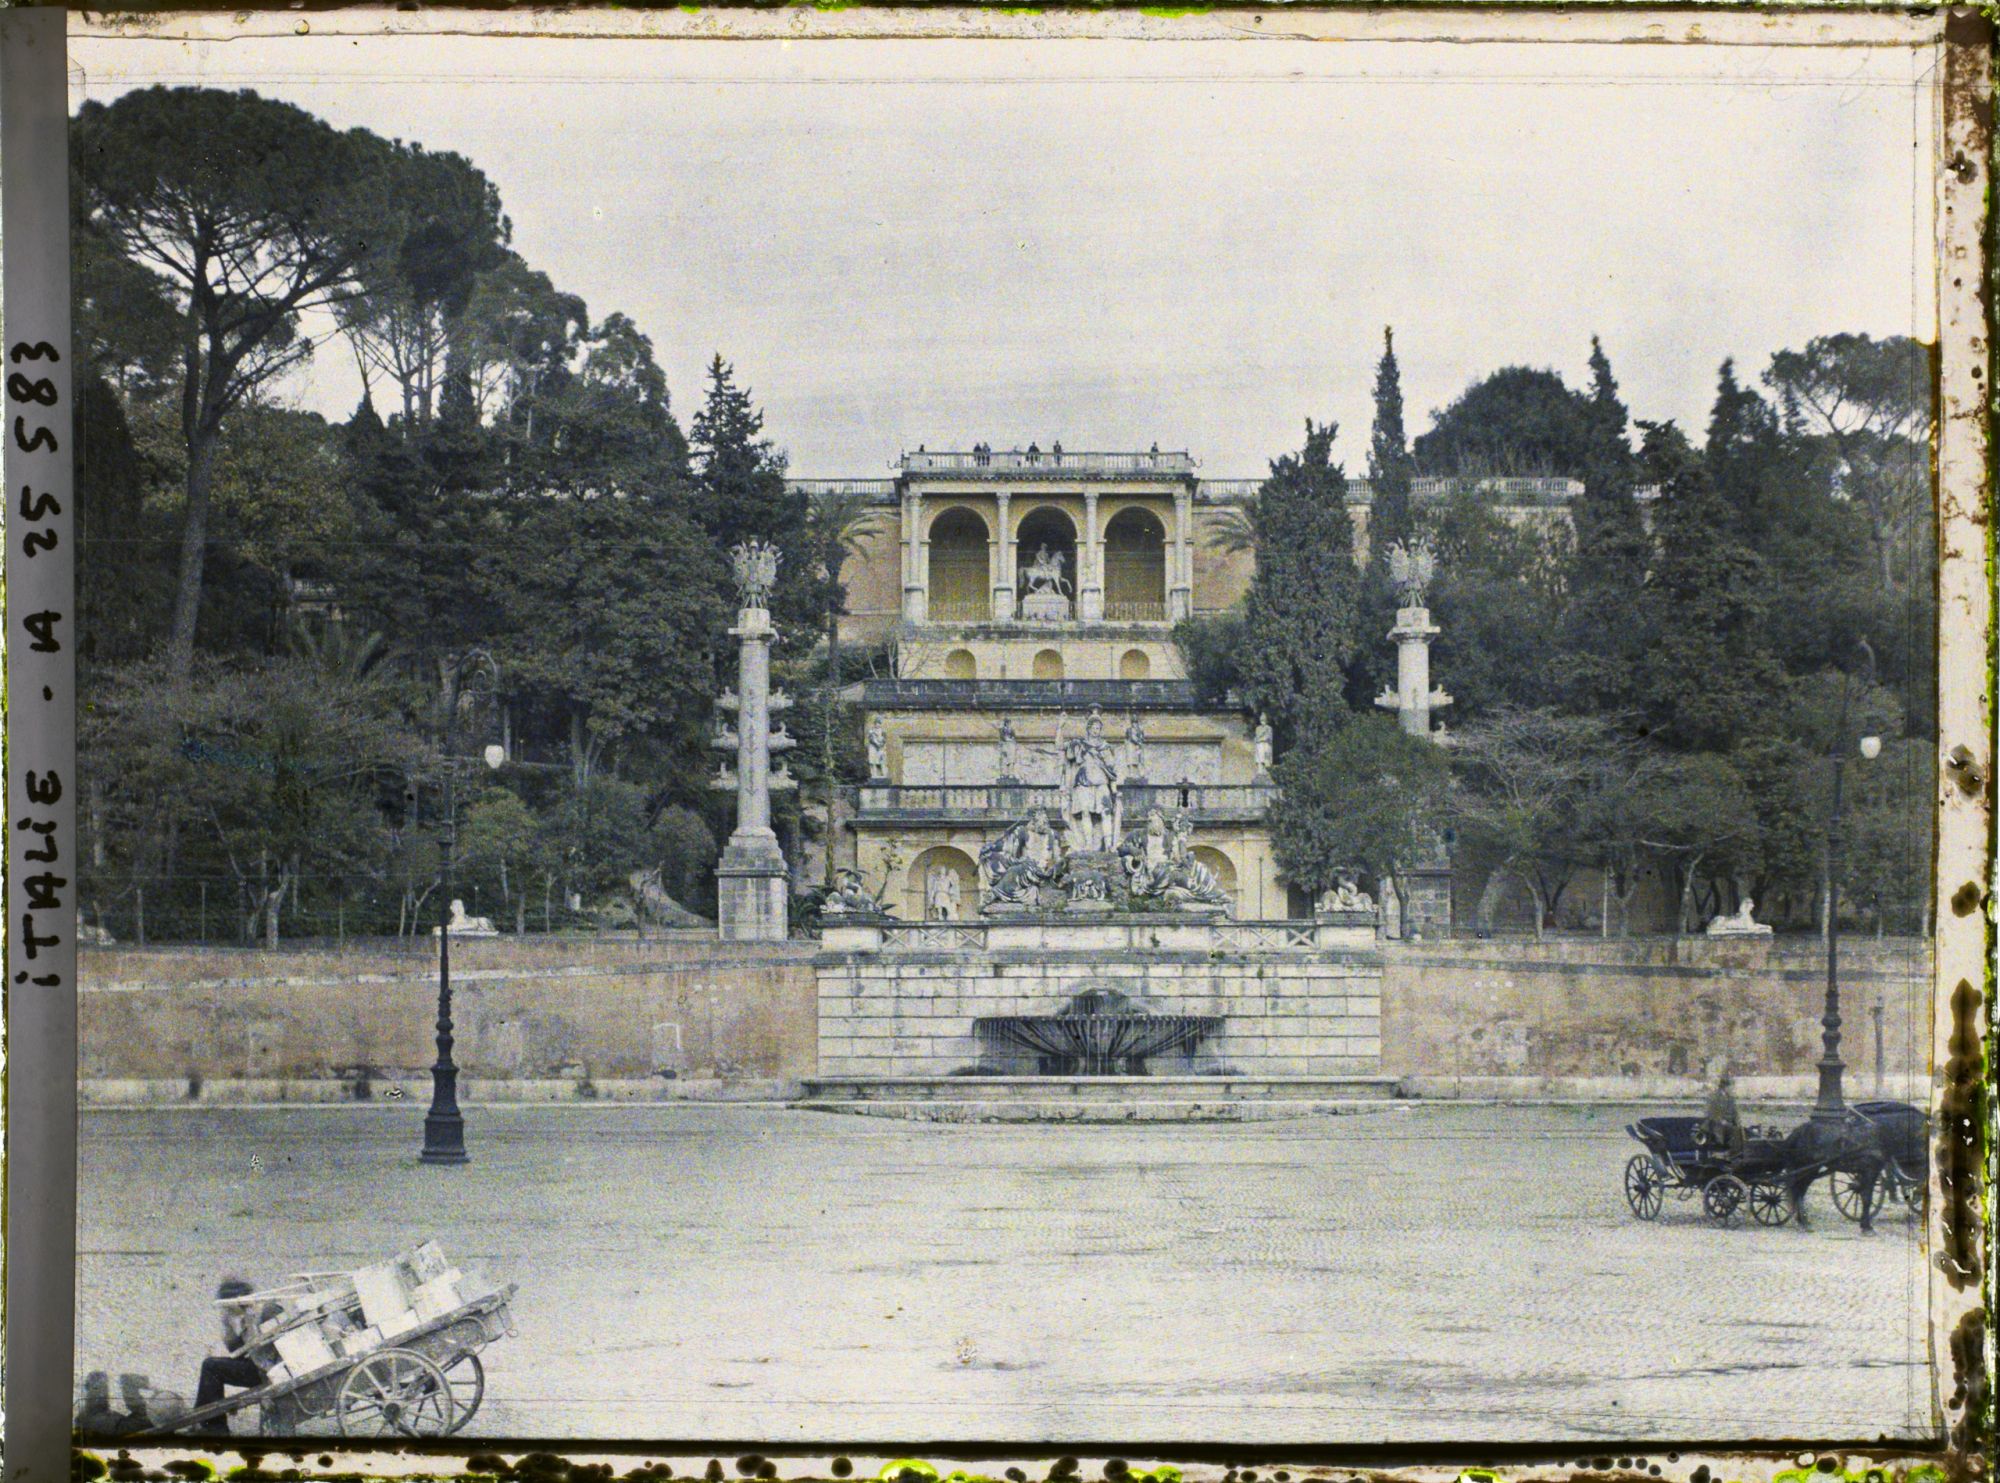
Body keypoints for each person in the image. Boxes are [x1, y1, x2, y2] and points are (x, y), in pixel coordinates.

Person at [194, 1277, 276, 1425]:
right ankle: (205, 1419)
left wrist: (250, 1325)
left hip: (269, 1370)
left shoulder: (267, 1310)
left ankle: (211, 1426)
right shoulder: (243, 1315)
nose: (227, 1311)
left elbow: (266, 1351)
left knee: (211, 1366)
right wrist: (230, 1327)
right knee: (212, 1366)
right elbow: (235, 1350)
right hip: (259, 1366)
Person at [1702, 1070, 1745, 1156]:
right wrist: (1721, 1121)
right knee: (1724, 1128)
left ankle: (1736, 1152)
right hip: (1716, 1124)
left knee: (1739, 1131)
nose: (1733, 1089)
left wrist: (1738, 1124)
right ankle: (1724, 1152)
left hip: (1728, 1124)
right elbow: (1710, 1113)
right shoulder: (1714, 1097)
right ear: (1725, 1087)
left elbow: (1735, 1113)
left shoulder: (1731, 1098)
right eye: (1731, 1087)